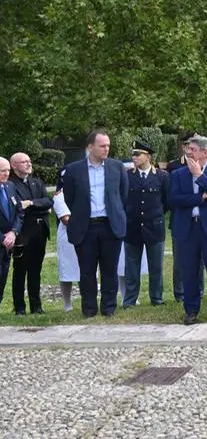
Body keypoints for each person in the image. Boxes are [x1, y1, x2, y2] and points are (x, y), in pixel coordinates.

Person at [62, 130, 129, 318]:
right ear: (90, 147)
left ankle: (109, 308)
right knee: (87, 270)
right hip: (86, 226)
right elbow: (70, 197)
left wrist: (115, 213)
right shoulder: (74, 170)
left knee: (110, 269)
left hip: (110, 225)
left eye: (108, 145)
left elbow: (123, 195)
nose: (106, 149)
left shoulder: (117, 167)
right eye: (102, 145)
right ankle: (89, 309)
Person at [168, 134, 207, 324]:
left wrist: (200, 176)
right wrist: (198, 198)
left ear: (204, 152)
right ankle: (191, 310)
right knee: (189, 271)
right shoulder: (178, 174)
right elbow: (174, 199)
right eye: (187, 149)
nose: (188, 152)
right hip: (188, 227)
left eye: (193, 149)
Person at [123, 140, 169, 307]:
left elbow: (166, 201)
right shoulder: (127, 176)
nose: (134, 157)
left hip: (154, 227)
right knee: (132, 268)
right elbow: (123, 200)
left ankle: (156, 298)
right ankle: (130, 300)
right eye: (133, 154)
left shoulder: (162, 176)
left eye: (138, 154)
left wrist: (156, 215)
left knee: (155, 267)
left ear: (148, 157)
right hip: (133, 227)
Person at [8, 152, 52, 315]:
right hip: (23, 233)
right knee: (20, 270)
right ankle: (19, 307)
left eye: (29, 161)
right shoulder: (11, 185)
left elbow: (48, 202)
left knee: (36, 270)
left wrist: (31, 203)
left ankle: (36, 306)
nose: (28, 164)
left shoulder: (36, 182)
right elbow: (18, 208)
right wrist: (39, 207)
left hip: (40, 232)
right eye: (24, 161)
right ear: (14, 165)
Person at [167, 131, 203, 302]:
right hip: (181, 219)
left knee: (200, 260)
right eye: (189, 145)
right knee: (180, 261)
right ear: (184, 147)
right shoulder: (174, 167)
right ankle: (180, 294)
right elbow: (173, 198)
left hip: (201, 220)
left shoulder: (205, 167)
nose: (191, 150)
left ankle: (200, 291)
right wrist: (197, 199)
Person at [52, 180, 79, 312]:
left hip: (86, 234)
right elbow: (65, 219)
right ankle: (67, 304)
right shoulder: (59, 195)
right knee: (67, 271)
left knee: (86, 269)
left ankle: (87, 299)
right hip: (67, 237)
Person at [0, 157, 23, 308]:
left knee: (2, 279)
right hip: (2, 240)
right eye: (2, 170)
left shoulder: (10, 186)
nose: (7, 173)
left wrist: (13, 232)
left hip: (8, 244)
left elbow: (19, 212)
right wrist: (2, 237)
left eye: (8, 170)